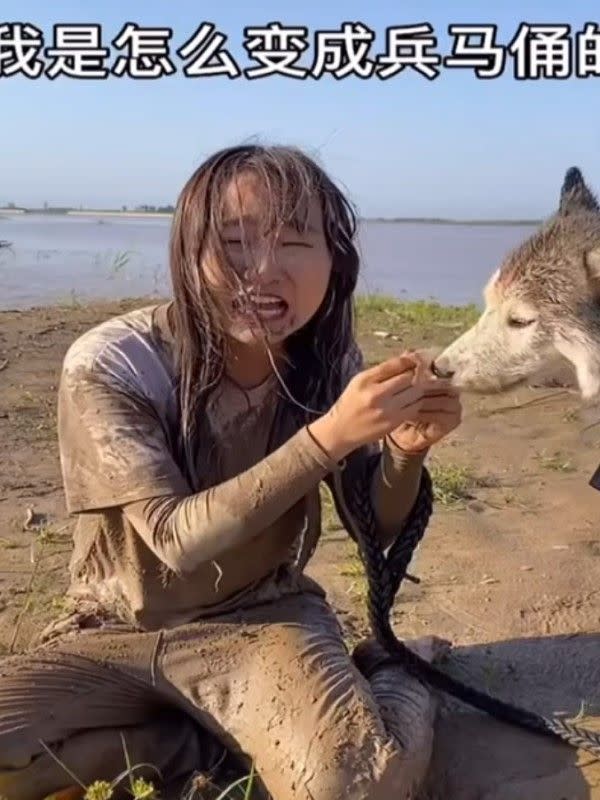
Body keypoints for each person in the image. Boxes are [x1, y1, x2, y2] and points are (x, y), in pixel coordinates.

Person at [0, 144, 462, 800]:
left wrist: (405, 452)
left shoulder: (327, 365)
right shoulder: (112, 363)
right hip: (111, 630)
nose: (264, 270)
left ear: (335, 260)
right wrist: (331, 434)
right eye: (235, 241)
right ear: (188, 254)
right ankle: (196, 739)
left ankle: (398, 670)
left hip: (264, 621)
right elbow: (177, 540)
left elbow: (375, 524)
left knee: (356, 787)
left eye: (295, 242)